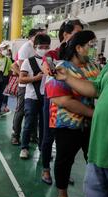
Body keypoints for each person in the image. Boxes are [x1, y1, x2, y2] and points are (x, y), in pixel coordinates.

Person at [56, 4, 108, 197]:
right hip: (101, 142)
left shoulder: (95, 63)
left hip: (106, 140)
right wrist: (67, 77)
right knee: (97, 195)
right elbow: (94, 89)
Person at [45, 31, 100, 197]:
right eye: (90, 45)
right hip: (68, 124)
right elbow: (62, 100)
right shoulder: (61, 68)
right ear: (78, 47)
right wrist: (94, 113)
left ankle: (97, 194)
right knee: (64, 159)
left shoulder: (94, 67)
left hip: (92, 125)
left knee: (94, 159)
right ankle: (63, 194)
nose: (93, 49)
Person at [41, 19, 84, 184]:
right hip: (53, 102)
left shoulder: (79, 57)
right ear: (65, 35)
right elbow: (47, 68)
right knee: (49, 136)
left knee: (68, 140)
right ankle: (46, 169)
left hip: (74, 101)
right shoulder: (52, 54)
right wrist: (52, 70)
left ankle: (63, 172)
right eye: (77, 34)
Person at [19, 34, 51, 160]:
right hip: (31, 97)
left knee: (44, 125)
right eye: (41, 47)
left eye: (46, 47)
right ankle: (24, 147)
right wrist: (35, 78)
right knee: (29, 124)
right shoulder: (28, 61)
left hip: (46, 97)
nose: (44, 49)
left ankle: (43, 148)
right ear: (35, 47)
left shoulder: (50, 62)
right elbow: (21, 78)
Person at [11, 28, 45, 145]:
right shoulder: (26, 48)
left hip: (38, 86)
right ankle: (15, 135)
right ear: (32, 37)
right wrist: (32, 78)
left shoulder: (41, 51)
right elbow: (20, 68)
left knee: (34, 113)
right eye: (39, 36)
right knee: (21, 111)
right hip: (26, 85)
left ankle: (33, 135)